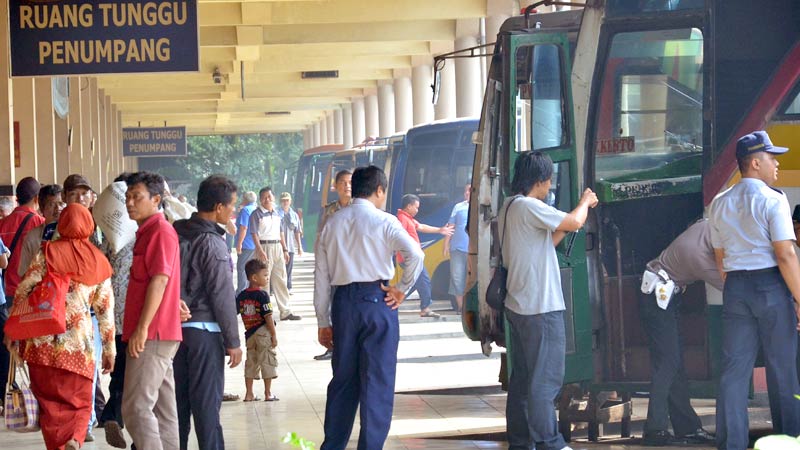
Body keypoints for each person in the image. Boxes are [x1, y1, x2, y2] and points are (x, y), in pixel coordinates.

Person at [314, 165, 424, 450]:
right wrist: (401, 289)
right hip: (378, 301)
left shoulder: (332, 223)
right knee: (378, 381)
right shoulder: (385, 221)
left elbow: (322, 277)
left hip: (343, 305)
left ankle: (333, 445)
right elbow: (415, 254)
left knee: (343, 381)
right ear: (378, 190)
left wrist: (323, 321)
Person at [501, 151, 597, 450]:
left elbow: (544, 242)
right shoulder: (530, 206)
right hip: (541, 306)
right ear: (540, 180)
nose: (550, 185)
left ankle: (521, 441)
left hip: (519, 305)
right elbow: (574, 222)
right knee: (545, 381)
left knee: (523, 381)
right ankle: (550, 442)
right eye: (549, 180)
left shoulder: (510, 207)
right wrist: (585, 202)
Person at [710, 131, 800, 450]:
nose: (776, 164)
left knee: (734, 371)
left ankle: (731, 444)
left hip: (735, 287)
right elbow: (786, 254)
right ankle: (790, 439)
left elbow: (720, 258)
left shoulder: (719, 204)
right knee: (783, 366)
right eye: (772, 158)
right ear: (754, 163)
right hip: (771, 285)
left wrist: (736, 286)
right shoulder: (773, 199)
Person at [5, 203, 114, 450]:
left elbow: (23, 290)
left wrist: (13, 330)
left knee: (50, 405)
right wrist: (109, 351)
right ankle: (74, 438)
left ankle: (59, 446)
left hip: (40, 343)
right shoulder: (99, 261)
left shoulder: (47, 253)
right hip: (79, 345)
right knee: (81, 401)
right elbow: (105, 312)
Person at [173, 175, 243, 450]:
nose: (232, 212)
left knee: (177, 408)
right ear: (218, 207)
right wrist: (233, 341)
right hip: (204, 332)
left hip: (174, 333)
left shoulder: (175, 234)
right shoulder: (213, 243)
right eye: (231, 206)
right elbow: (222, 295)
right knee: (206, 409)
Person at [638, 219, 718, 446]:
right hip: (657, 297)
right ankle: (654, 430)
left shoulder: (708, 225)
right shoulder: (699, 258)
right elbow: (730, 284)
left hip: (662, 296)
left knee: (675, 364)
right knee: (668, 363)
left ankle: (687, 428)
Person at [97, 174, 135, 449]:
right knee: (134, 370)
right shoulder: (139, 231)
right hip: (134, 310)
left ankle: (113, 414)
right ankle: (115, 414)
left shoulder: (113, 234)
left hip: (113, 309)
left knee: (122, 365)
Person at [0, 177, 44, 405]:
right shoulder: (38, 222)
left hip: (6, 290)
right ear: (37, 199)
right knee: (32, 341)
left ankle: (10, 383)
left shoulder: (4, 222)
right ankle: (31, 384)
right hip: (28, 292)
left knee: (8, 339)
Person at [313, 169, 353, 361]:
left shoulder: (359, 208)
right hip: (331, 263)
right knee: (330, 304)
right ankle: (332, 345)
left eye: (350, 182)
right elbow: (320, 236)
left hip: (352, 266)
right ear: (335, 187)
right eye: (343, 183)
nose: (347, 186)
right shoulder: (329, 210)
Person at [396, 194, 454, 318]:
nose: (417, 210)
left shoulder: (408, 218)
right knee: (423, 280)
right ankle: (424, 308)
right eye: (416, 207)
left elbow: (421, 227)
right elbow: (399, 238)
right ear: (409, 206)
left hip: (412, 258)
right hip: (409, 258)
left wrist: (440, 230)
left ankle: (394, 301)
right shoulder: (402, 219)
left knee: (415, 282)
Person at [250, 187, 300, 321]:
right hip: (264, 247)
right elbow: (254, 234)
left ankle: (285, 311)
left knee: (281, 279)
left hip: (277, 247)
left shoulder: (278, 214)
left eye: (269, 196)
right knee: (264, 281)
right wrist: (260, 250)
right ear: (260, 200)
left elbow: (281, 232)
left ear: (273, 198)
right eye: (264, 197)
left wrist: (284, 249)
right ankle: (265, 313)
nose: (267, 199)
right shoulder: (256, 214)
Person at [237, 258, 279, 402]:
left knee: (251, 362)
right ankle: (268, 393)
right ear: (254, 278)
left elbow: (234, 312)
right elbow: (268, 317)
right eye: (265, 275)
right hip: (263, 332)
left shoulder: (242, 296)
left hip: (249, 334)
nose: (267, 278)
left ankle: (249, 393)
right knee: (267, 360)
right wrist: (273, 334)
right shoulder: (263, 295)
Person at [443, 183, 470, 313]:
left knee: (470, 279)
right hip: (457, 249)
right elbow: (451, 226)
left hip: (474, 251)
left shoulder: (480, 206)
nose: (466, 193)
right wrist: (446, 245)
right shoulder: (458, 207)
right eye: (465, 191)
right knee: (457, 277)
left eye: (470, 191)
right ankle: (461, 307)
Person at [278, 192, 303, 291]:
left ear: (290, 201)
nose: (285, 202)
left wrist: (299, 247)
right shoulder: (276, 214)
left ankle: (288, 287)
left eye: (287, 200)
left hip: (291, 245)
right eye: (283, 200)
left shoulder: (294, 215)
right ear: (280, 201)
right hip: (279, 245)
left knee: (289, 268)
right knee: (279, 268)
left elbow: (297, 231)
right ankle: (277, 288)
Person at [235, 191, 258, 295]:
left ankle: (241, 291)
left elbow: (244, 227)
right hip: (255, 243)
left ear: (245, 199)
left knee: (241, 267)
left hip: (247, 243)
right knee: (251, 268)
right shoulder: (256, 209)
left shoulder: (246, 210)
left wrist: (239, 243)